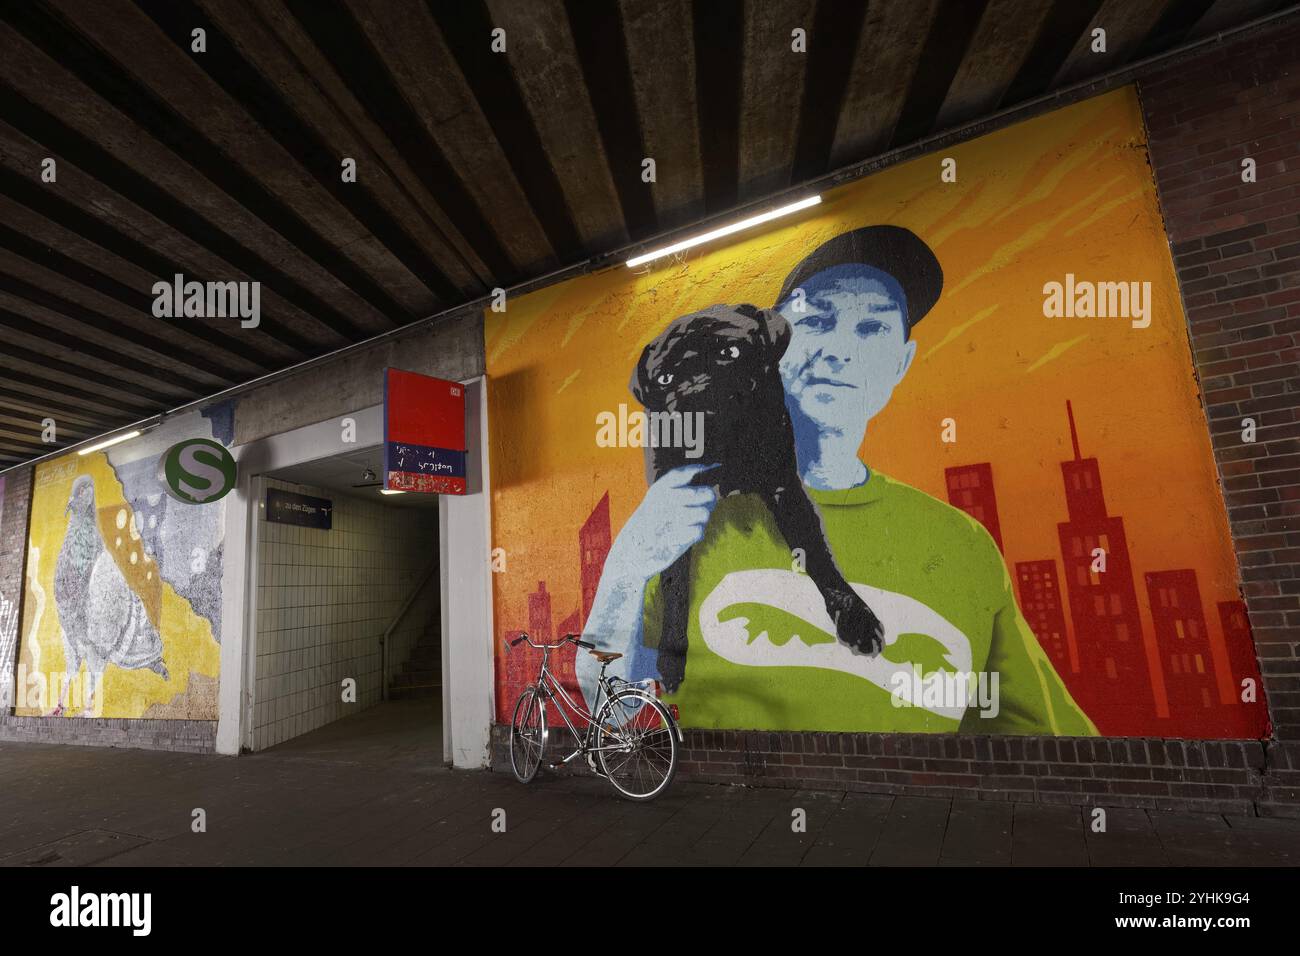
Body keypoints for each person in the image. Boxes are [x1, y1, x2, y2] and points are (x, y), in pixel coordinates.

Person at [579, 226, 1096, 735]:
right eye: (819, 320)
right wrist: (626, 562)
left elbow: (1040, 739)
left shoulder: (964, 544)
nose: (840, 350)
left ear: (902, 362)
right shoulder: (685, 519)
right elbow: (612, 709)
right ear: (773, 348)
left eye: (871, 328)